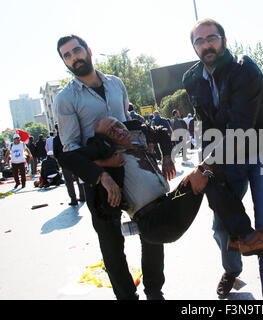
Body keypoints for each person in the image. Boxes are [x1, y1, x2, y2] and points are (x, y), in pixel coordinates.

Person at [54, 34, 166, 300]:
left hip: (133, 167)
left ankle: (154, 291)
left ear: (88, 50)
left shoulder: (116, 84)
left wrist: (150, 151)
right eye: (67, 56)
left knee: (153, 228)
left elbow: (127, 123)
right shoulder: (65, 98)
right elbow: (70, 149)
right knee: (112, 245)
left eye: (76, 51)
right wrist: (102, 172)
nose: (74, 58)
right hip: (98, 179)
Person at [183, 18, 263, 300]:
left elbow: (241, 127)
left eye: (212, 38)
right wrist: (205, 164)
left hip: (262, 148)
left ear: (224, 41)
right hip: (228, 153)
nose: (206, 45)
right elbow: (205, 123)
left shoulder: (244, 69)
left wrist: (206, 166)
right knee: (221, 224)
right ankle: (232, 270)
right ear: (193, 47)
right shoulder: (191, 79)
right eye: (199, 41)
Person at [89, 116, 263, 254]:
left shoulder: (138, 141)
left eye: (117, 124)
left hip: (168, 204)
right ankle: (245, 237)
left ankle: (238, 236)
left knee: (205, 172)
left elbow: (161, 132)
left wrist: (166, 155)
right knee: (205, 173)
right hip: (154, 221)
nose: (118, 130)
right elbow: (75, 158)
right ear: (105, 142)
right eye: (110, 132)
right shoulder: (112, 160)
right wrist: (101, 167)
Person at [53, 123, 86, 206]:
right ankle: (82, 196)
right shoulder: (70, 135)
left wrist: (60, 161)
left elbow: (55, 153)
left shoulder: (56, 139)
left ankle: (73, 199)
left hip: (65, 162)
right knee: (78, 179)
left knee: (69, 181)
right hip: (74, 160)